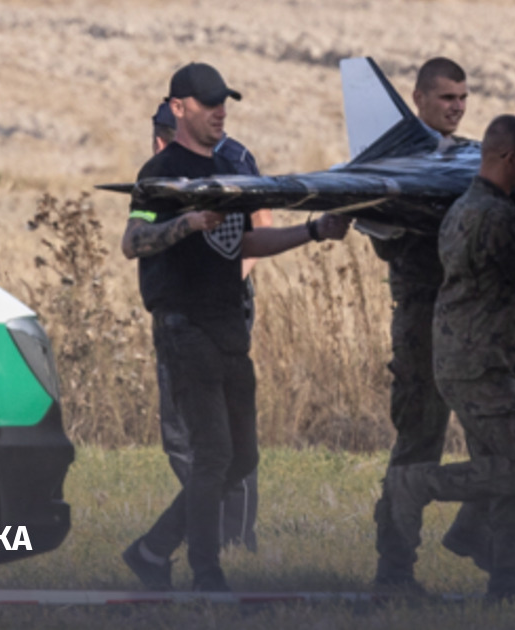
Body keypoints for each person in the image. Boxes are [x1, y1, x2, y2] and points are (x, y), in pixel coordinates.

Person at [121, 62, 350, 592]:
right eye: (208, 103)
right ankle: (207, 573)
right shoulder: (162, 175)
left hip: (228, 326)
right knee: (214, 454)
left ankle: (152, 549)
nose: (220, 111)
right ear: (179, 109)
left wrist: (313, 230)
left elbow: (244, 244)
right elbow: (133, 242)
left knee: (243, 455)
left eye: (224, 101)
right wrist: (186, 222)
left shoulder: (232, 169)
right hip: (183, 326)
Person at [384, 114, 515, 601]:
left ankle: (505, 578)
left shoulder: (465, 207)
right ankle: (418, 484)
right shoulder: (495, 218)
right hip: (477, 361)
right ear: (507, 158)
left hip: (485, 353)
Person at [369, 57, 486, 593]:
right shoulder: (400, 164)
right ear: (417, 98)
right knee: (420, 438)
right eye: (446, 98)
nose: (457, 108)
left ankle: (477, 528)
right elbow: (379, 235)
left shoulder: (467, 158)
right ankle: (394, 569)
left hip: (477, 318)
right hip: (422, 320)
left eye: (462, 98)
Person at [148, 103, 271, 553]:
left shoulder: (233, 162)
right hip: (186, 310)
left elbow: (261, 228)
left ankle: (230, 537)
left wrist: (218, 284)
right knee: (194, 436)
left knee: (221, 440)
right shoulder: (169, 169)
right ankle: (190, 538)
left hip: (218, 311)